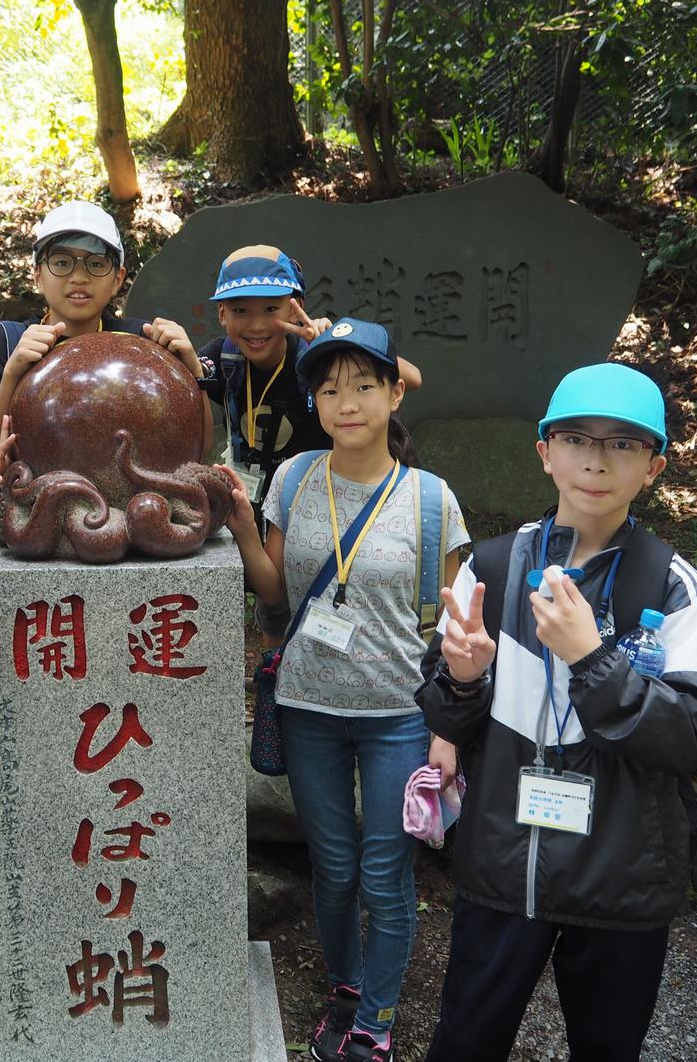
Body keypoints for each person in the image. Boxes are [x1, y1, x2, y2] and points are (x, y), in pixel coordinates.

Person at [416, 363, 697, 1062]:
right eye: (577, 437)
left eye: (623, 443)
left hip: (620, 881)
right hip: (504, 869)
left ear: (654, 465)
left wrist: (592, 658)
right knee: (464, 1041)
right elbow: (445, 713)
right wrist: (462, 678)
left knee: (607, 1048)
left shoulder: (670, 586)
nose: (595, 460)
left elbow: (692, 738)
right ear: (545, 451)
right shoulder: (490, 568)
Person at [222, 318, 468, 1062]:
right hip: (307, 706)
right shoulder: (293, 480)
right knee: (332, 865)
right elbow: (273, 590)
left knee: (384, 871)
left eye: (364, 385)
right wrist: (238, 518)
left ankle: (379, 1020)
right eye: (329, 388)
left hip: (398, 712)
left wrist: (449, 723)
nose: (347, 401)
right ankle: (346, 987)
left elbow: (456, 626)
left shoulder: (431, 499)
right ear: (316, 402)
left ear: (395, 392)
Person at [0, 200, 211, 463]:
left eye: (97, 263)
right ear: (37, 274)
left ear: (118, 279)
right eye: (61, 262)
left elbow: (195, 451)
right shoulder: (7, 341)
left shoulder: (141, 341)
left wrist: (193, 372)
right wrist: (13, 373)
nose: (79, 277)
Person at [197, 245, 423, 513]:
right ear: (222, 313)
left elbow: (414, 378)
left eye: (270, 308)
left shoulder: (317, 354)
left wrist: (338, 343)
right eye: (240, 311)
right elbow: (195, 375)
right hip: (255, 503)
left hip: (326, 498)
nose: (256, 325)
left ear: (295, 309)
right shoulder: (223, 358)